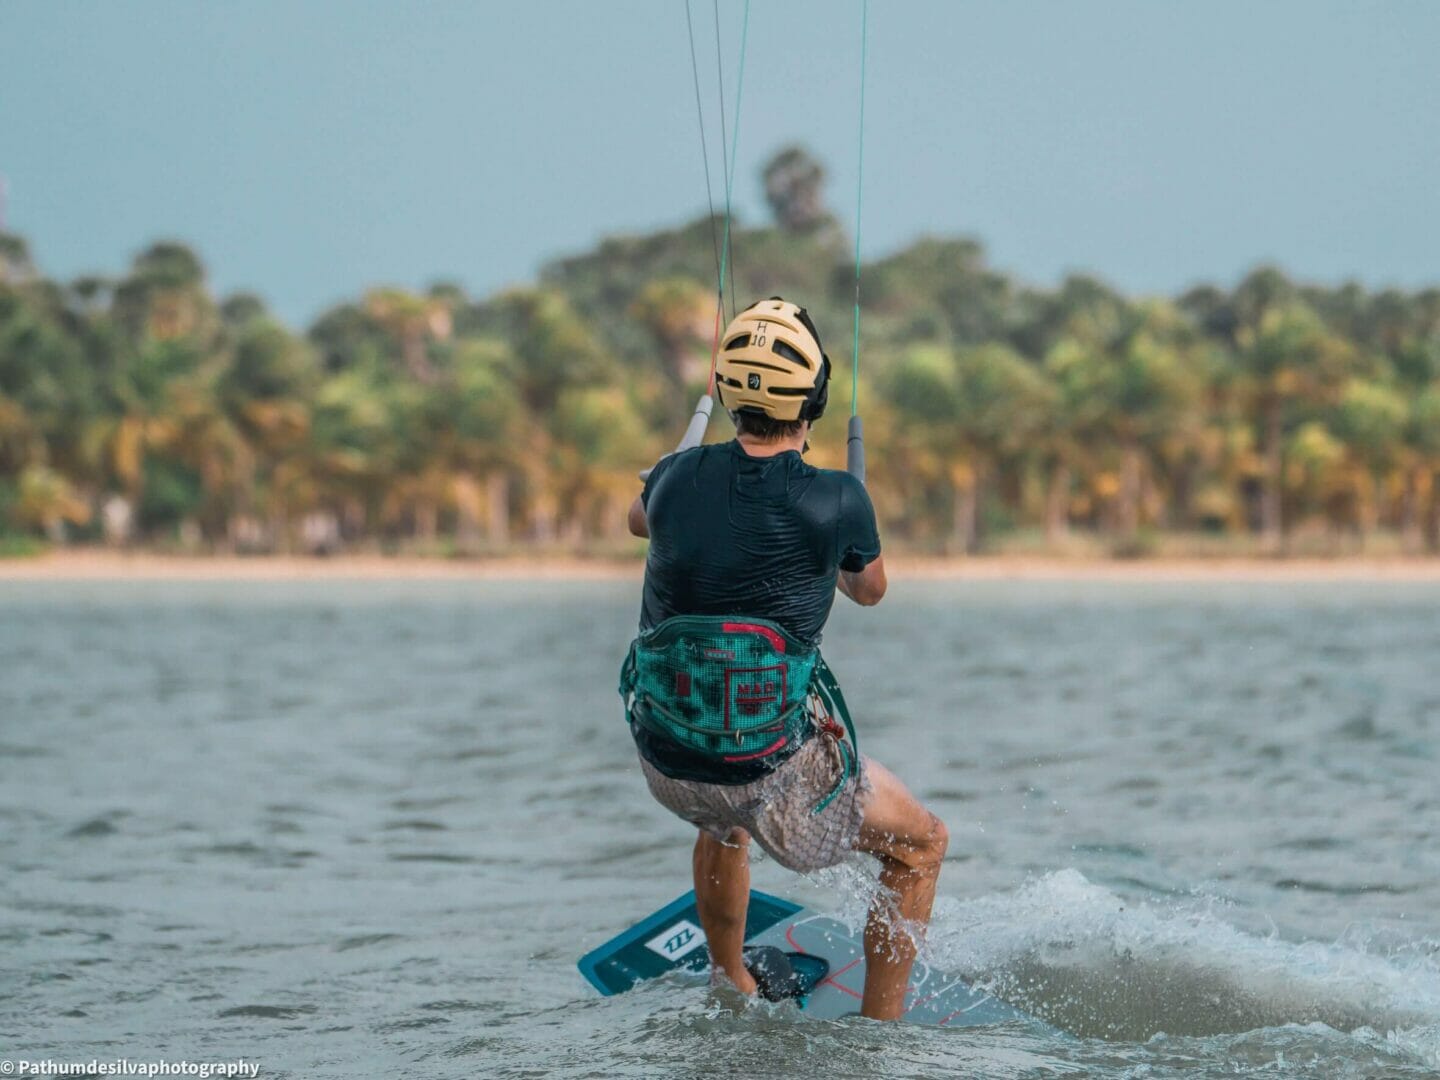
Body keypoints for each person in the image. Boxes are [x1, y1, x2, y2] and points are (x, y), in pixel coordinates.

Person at [622, 297, 948, 1021]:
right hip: (769, 774)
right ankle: (880, 1032)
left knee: (722, 811)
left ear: (727, 391)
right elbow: (870, 590)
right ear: (815, 398)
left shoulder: (671, 478)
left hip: (668, 759)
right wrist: (842, 528)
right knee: (922, 845)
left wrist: (673, 469)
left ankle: (731, 980)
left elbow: (638, 520)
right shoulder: (837, 499)